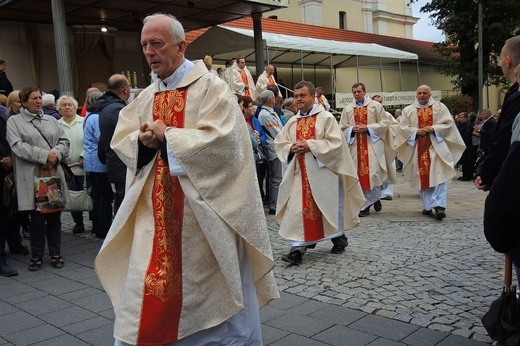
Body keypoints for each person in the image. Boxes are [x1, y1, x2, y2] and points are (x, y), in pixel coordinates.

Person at [94, 13, 278, 346]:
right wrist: (144, 142)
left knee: (209, 300)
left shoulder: (212, 88)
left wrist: (170, 137)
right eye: (144, 45)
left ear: (180, 46)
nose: (149, 52)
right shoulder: (146, 96)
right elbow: (122, 138)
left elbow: (227, 145)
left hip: (202, 217)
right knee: (146, 294)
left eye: (157, 44)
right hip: (155, 214)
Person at [275, 80, 364, 265]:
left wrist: (310, 145)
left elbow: (336, 145)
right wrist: (291, 148)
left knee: (326, 209)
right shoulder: (292, 121)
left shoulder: (326, 118)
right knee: (298, 210)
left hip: (324, 175)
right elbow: (280, 143)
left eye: (303, 95)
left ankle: (339, 238)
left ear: (313, 96)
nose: (298, 99)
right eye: (296, 96)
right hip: (299, 175)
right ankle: (297, 248)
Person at [6, 85, 70, 271]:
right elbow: (17, 146)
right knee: (37, 219)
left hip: (52, 175)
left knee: (54, 216)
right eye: (34, 98)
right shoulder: (14, 122)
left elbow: (64, 141)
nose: (38, 101)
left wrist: (55, 155)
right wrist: (44, 156)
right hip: (33, 178)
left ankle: (56, 254)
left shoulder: (51, 119)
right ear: (24, 101)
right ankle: (37, 256)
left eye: (40, 98)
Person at [395, 85, 465, 220]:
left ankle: (440, 206)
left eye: (425, 93)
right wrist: (416, 131)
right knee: (422, 177)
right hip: (418, 149)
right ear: (416, 94)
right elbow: (402, 128)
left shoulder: (439, 107)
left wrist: (433, 128)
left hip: (437, 147)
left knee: (441, 176)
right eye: (419, 93)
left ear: (429, 95)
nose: (422, 95)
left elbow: (448, 124)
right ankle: (427, 205)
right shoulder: (408, 110)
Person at [340, 84, 396, 217]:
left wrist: (368, 128)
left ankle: (368, 203)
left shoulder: (376, 106)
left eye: (359, 91)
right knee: (358, 175)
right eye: (354, 92)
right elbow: (342, 127)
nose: (357, 94)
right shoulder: (348, 109)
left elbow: (384, 123)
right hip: (355, 147)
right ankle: (371, 200)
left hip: (372, 145)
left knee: (373, 173)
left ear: (365, 92)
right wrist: (352, 129)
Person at [475, 36, 520, 191]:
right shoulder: (514, 92)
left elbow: (504, 137)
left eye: (501, 59)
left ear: (507, 61)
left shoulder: (517, 96)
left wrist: (487, 173)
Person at [97, 74, 130, 215]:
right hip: (121, 163)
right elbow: (129, 134)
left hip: (115, 162)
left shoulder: (107, 106)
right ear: (125, 89)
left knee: (121, 198)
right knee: (124, 202)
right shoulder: (117, 109)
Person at [83, 91, 113, 239]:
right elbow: (101, 138)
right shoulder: (95, 118)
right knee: (104, 197)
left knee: (97, 196)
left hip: (91, 161)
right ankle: (103, 228)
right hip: (98, 162)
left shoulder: (88, 116)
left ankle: (96, 226)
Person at [57, 96, 85, 233]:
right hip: (67, 168)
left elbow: (91, 141)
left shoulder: (83, 122)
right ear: (59, 109)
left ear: (75, 107)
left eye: (70, 105)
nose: (67, 107)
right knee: (72, 196)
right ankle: (78, 222)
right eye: (64, 105)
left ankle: (94, 220)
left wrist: (84, 156)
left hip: (83, 165)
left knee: (88, 193)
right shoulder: (56, 125)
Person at [258, 89, 284, 215]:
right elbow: (277, 132)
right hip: (273, 148)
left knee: (273, 177)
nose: (275, 99)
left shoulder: (269, 112)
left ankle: (274, 202)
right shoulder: (266, 114)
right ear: (271, 99)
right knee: (276, 177)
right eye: (274, 98)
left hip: (274, 147)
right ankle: (274, 205)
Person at [242, 96, 268, 201]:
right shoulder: (242, 122)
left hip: (259, 153)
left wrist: (260, 140)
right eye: (251, 106)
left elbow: (263, 134)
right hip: (250, 155)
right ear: (244, 108)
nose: (253, 109)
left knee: (261, 177)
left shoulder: (255, 120)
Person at [456, 112, 474, 181]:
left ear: (466, 118)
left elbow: (466, 136)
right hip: (462, 145)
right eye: (459, 117)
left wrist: (464, 144)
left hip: (467, 146)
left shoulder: (468, 125)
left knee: (467, 161)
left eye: (461, 117)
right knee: (463, 161)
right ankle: (464, 175)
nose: (460, 119)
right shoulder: (460, 125)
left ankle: (467, 176)